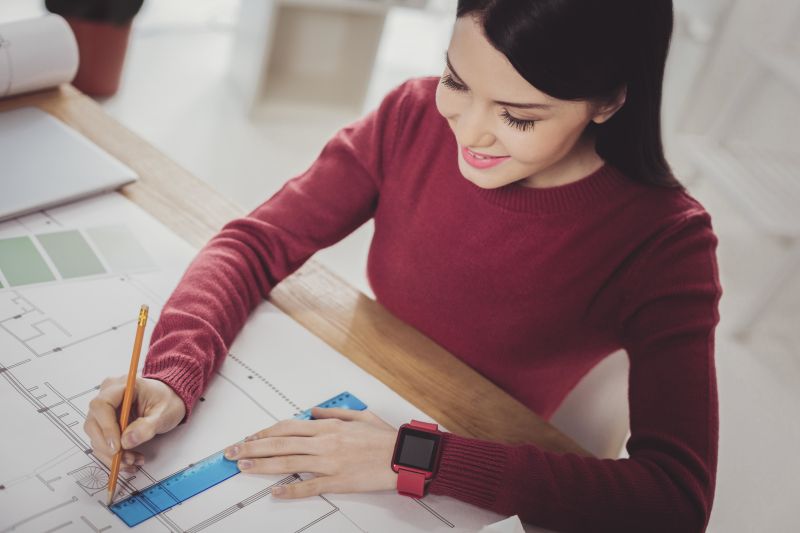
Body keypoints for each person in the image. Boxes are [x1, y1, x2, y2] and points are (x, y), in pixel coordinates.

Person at [84, 0, 722, 530]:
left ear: (607, 103)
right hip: (371, 383)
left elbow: (673, 497)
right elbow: (254, 244)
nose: (469, 133)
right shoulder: (413, 116)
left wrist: (413, 456)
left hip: (467, 458)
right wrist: (172, 372)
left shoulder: (667, 244)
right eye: (457, 80)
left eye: (517, 116)